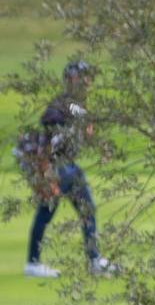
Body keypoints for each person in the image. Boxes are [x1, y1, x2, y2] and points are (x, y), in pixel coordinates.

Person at [16, 59, 108, 278]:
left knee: (84, 209)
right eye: (82, 77)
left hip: (68, 166)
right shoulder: (60, 107)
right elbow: (48, 142)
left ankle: (93, 259)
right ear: (72, 79)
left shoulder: (76, 105)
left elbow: (85, 131)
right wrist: (46, 175)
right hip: (58, 167)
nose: (86, 82)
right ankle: (34, 263)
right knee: (49, 210)